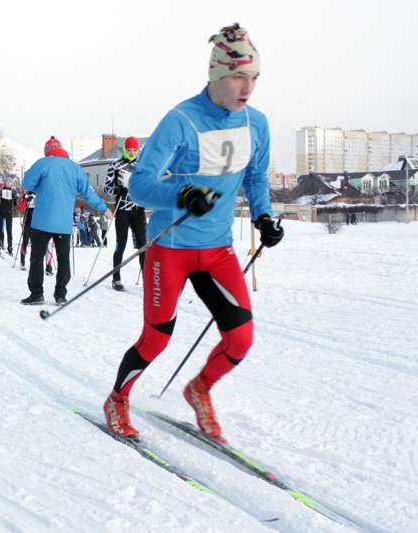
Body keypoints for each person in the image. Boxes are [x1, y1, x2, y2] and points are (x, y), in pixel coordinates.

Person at [103, 23, 284, 443]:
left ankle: (199, 389)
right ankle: (117, 398)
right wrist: (182, 193)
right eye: (239, 76)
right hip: (171, 247)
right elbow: (139, 184)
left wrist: (264, 218)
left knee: (240, 338)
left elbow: (256, 177)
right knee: (156, 339)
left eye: (254, 77)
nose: (248, 88)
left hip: (217, 250)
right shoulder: (181, 120)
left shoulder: (256, 123)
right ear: (217, 75)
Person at [21, 136, 112, 306]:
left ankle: (37, 293)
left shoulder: (43, 163)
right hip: (63, 224)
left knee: (37, 258)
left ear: (48, 151)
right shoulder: (75, 168)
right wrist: (104, 209)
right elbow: (88, 193)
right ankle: (60, 294)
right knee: (63, 259)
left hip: (42, 222)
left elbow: (27, 183)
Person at [104, 136, 147, 291]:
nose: (132, 153)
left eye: (135, 150)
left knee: (143, 245)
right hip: (122, 209)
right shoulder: (115, 165)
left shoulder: (142, 165)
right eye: (129, 150)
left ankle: (146, 279)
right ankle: (116, 278)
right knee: (120, 244)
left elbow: (148, 184)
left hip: (138, 210)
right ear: (124, 149)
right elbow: (107, 188)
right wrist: (118, 190)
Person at [0, 177, 18, 255]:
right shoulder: (1, 190)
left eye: (10, 182)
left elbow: (15, 204)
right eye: (7, 182)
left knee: (9, 230)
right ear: (5, 183)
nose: (8, 183)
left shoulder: (12, 191)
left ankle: (10, 247)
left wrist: (15, 198)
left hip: (8, 212)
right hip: (0, 212)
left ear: (11, 183)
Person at [18, 190, 36, 270]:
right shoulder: (25, 194)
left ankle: (34, 262)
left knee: (35, 243)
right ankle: (22, 261)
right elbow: (20, 208)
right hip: (28, 219)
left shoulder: (39, 192)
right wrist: (26, 200)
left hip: (37, 220)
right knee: (25, 240)